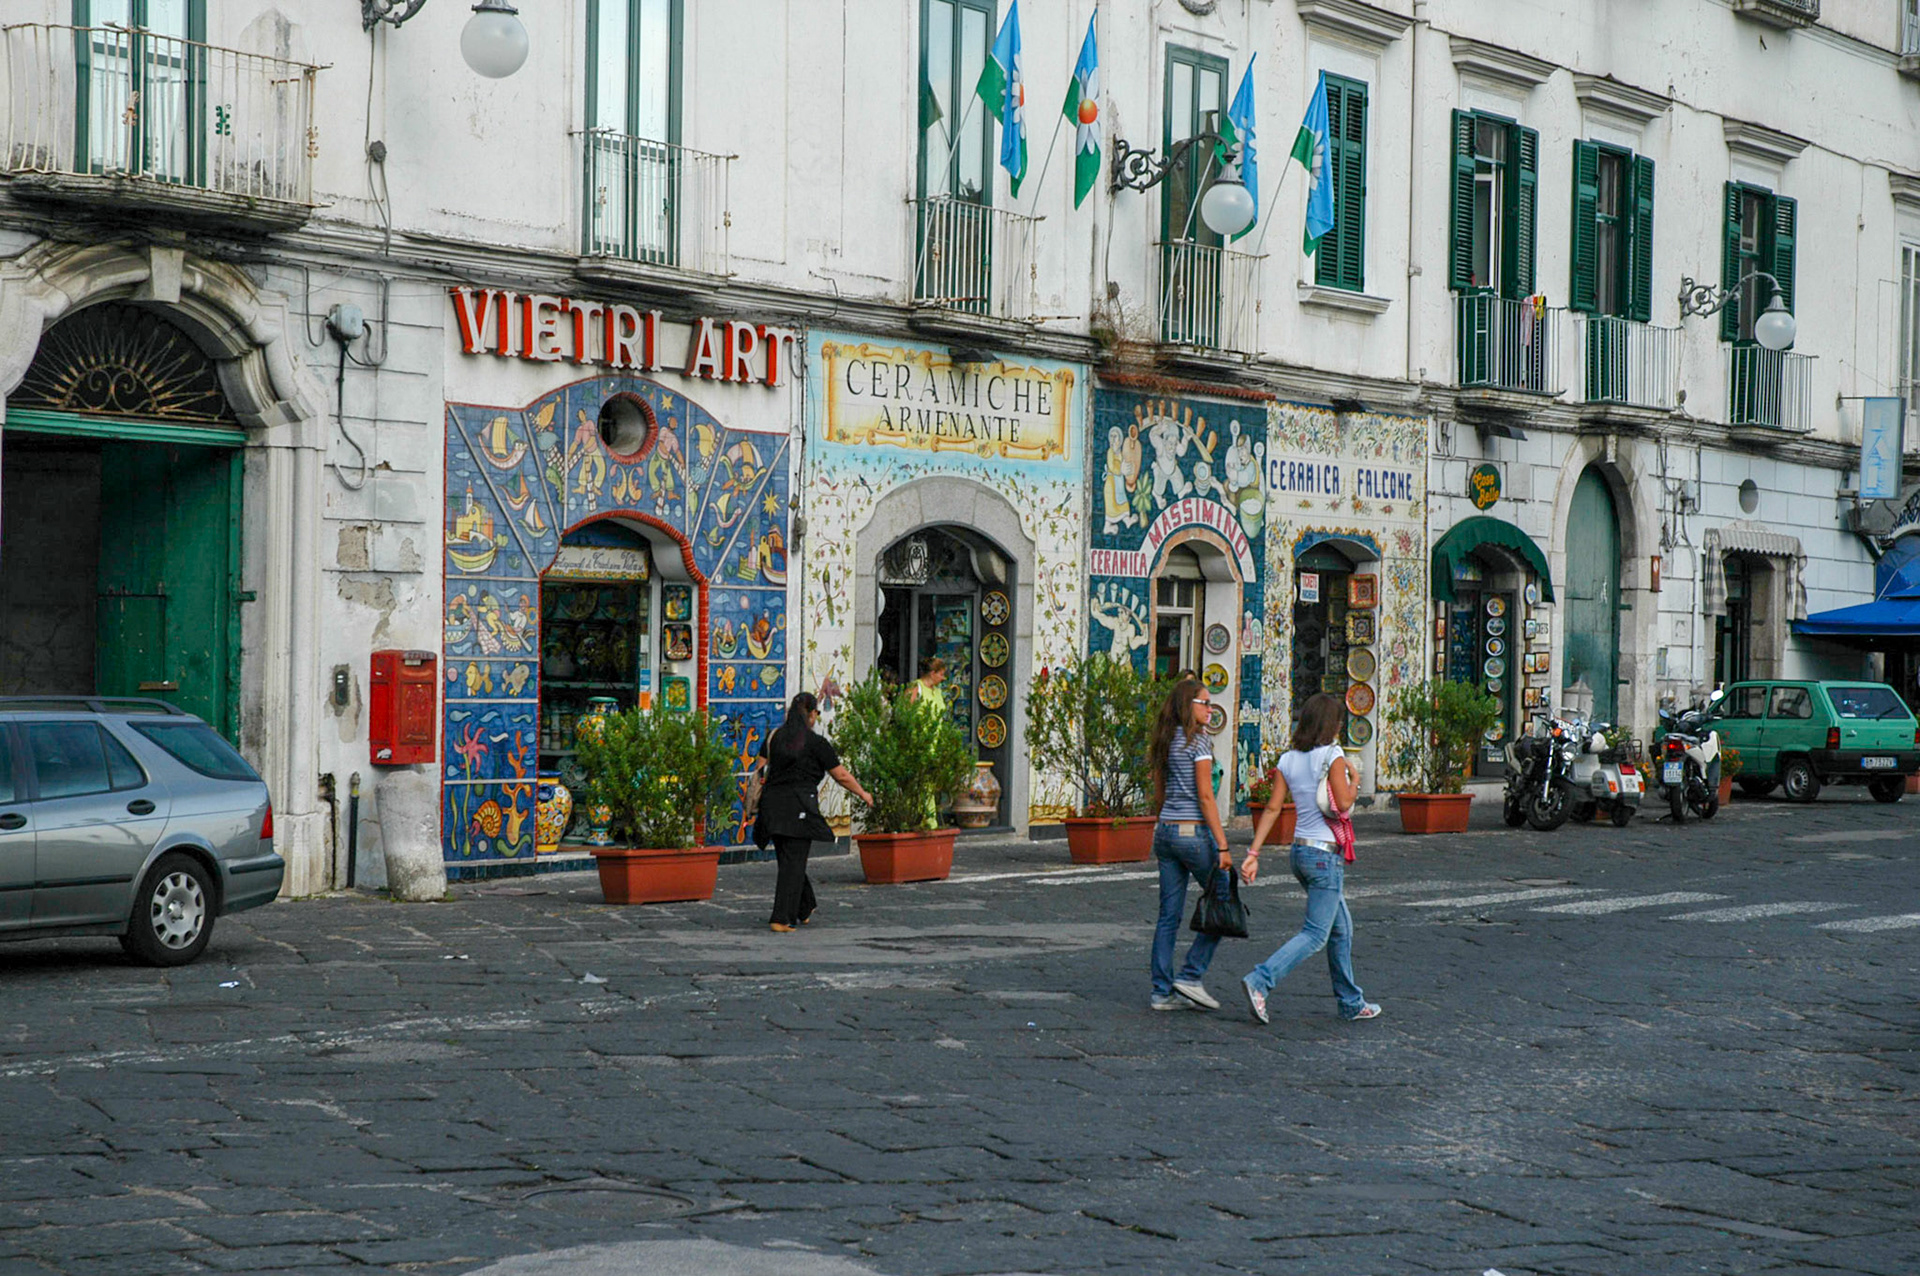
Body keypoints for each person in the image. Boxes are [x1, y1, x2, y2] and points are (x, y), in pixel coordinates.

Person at [1238, 692, 1381, 1025]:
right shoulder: (1332, 755)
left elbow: (1273, 808)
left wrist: (1254, 852)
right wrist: (1355, 781)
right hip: (1324, 855)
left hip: (1299, 851)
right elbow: (1343, 803)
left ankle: (1350, 1002)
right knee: (1316, 934)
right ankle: (1261, 980)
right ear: (1330, 725)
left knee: (1341, 929)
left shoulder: (1287, 759)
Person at [1147, 676, 1234, 1012]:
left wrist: (1162, 821)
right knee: (1222, 899)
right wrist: (1223, 845)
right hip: (1192, 834)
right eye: (1205, 702)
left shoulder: (1165, 741)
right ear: (1189, 705)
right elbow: (1205, 795)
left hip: (1165, 831)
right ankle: (1191, 974)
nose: (1210, 708)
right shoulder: (1198, 743)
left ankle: (1160, 991)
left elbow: (1159, 794)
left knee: (1168, 915)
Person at [753, 692, 873, 933]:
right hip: (799, 807)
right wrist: (863, 794)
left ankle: (804, 906)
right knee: (793, 862)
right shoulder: (816, 743)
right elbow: (841, 776)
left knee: (789, 861)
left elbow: (759, 771)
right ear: (812, 714)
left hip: (772, 807)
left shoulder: (773, 737)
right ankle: (781, 918)